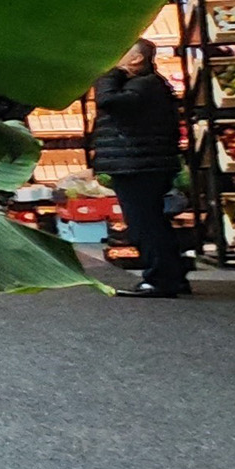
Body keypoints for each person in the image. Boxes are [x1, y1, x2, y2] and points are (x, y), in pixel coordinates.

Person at [94, 40, 188, 298]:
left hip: (138, 164)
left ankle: (159, 279)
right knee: (152, 220)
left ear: (136, 59)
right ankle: (172, 275)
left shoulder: (143, 85)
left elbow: (108, 101)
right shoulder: (147, 84)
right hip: (142, 163)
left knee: (143, 223)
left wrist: (108, 74)